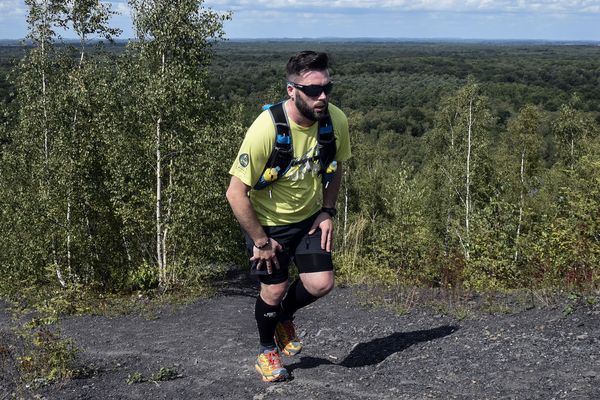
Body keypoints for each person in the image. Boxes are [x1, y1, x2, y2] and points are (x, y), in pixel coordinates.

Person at [226, 50, 351, 382]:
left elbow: (336, 167)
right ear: (291, 90)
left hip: (309, 217)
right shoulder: (266, 129)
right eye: (312, 90)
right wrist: (261, 241)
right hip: (266, 224)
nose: (322, 96)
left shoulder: (335, 121)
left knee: (321, 283)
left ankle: (282, 319)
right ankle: (267, 351)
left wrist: (327, 211)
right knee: (275, 289)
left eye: (327, 87)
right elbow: (235, 193)